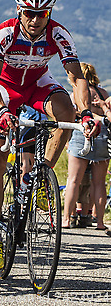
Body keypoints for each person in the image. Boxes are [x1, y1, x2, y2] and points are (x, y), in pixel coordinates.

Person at [0, 0, 100, 270]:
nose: (35, 20)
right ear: (19, 11)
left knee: (67, 112)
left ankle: (41, 176)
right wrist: (1, 111)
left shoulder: (58, 33)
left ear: (49, 13)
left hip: (37, 85)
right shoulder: (5, 33)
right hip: (6, 89)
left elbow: (77, 77)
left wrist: (85, 113)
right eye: (29, 13)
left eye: (42, 14)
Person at [64, 62, 110, 230]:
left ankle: (67, 219)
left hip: (81, 132)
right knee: (99, 183)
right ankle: (99, 222)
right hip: (102, 134)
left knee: (73, 180)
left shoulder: (76, 93)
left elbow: (71, 114)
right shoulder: (102, 92)